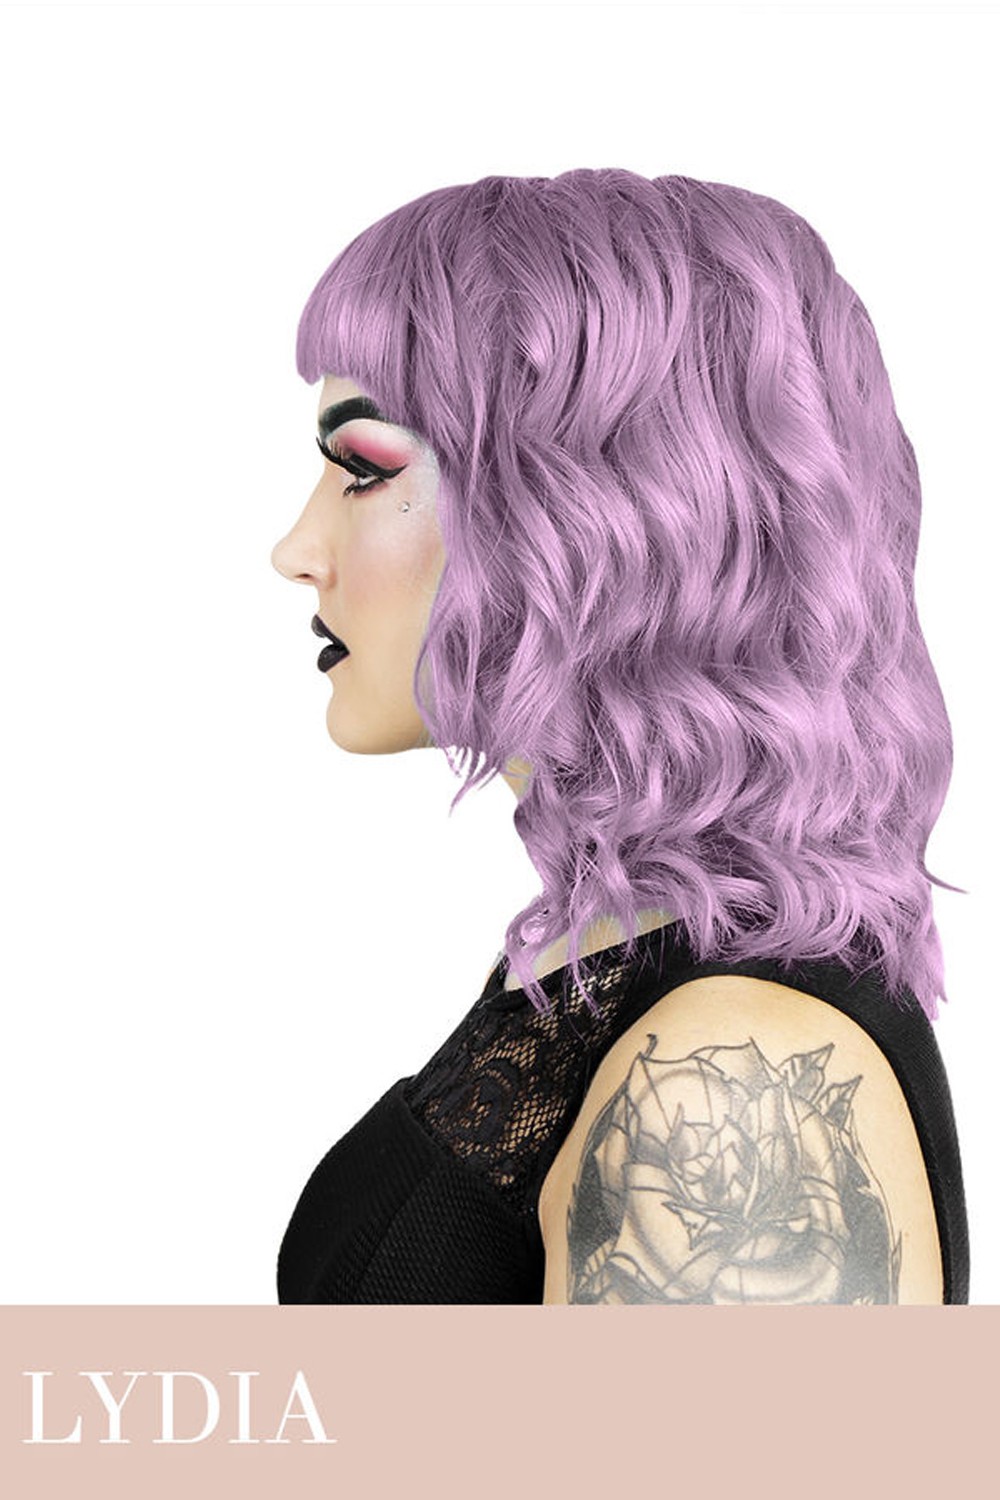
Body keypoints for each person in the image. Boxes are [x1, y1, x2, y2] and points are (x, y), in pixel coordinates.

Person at [270, 169, 969, 1304]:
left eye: (363, 469)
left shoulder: (731, 1082)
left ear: (595, 518)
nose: (295, 551)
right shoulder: (616, 965)